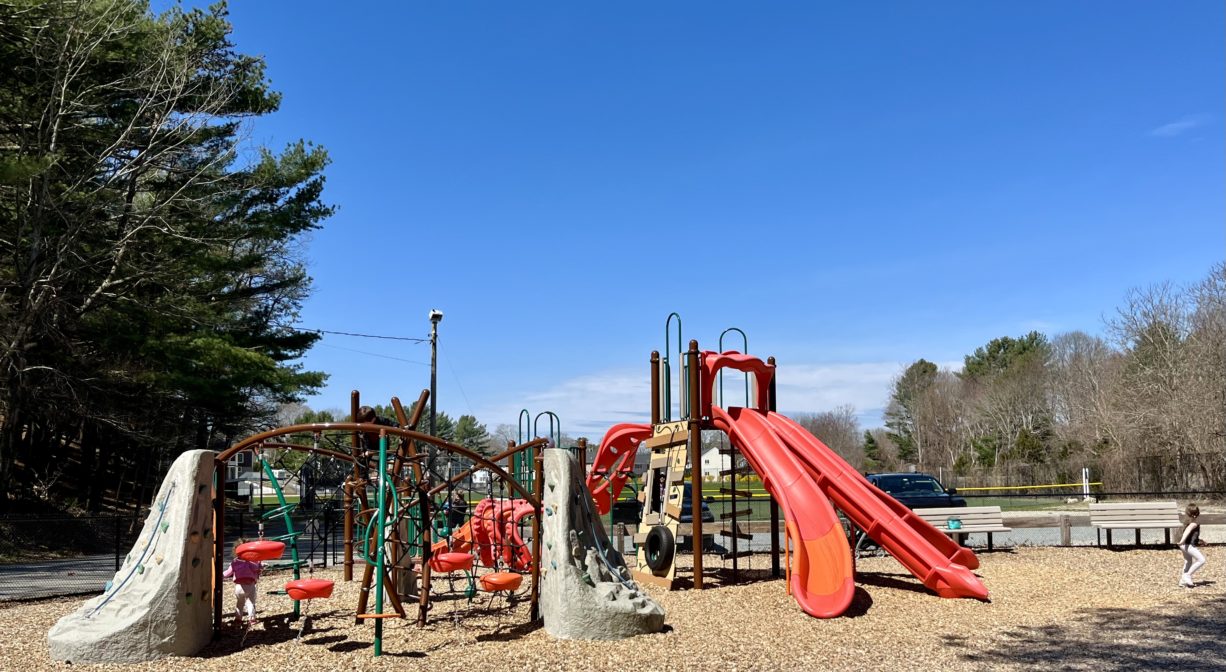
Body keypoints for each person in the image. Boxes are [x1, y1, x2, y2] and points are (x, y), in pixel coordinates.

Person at [223, 538, 264, 624]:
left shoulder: (235, 562)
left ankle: (238, 618)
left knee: (240, 603)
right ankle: (252, 618)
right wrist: (260, 564)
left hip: (239, 586)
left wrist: (221, 575)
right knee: (250, 602)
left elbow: (228, 572)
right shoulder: (252, 562)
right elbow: (257, 568)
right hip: (250, 585)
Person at [1177, 504, 1204, 588]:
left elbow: (1190, 533)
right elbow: (1187, 532)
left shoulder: (1187, 521)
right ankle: (1187, 575)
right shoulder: (1194, 523)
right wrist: (1182, 540)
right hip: (1188, 545)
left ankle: (1182, 581)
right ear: (1198, 513)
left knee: (1188, 561)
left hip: (1183, 545)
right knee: (1201, 560)